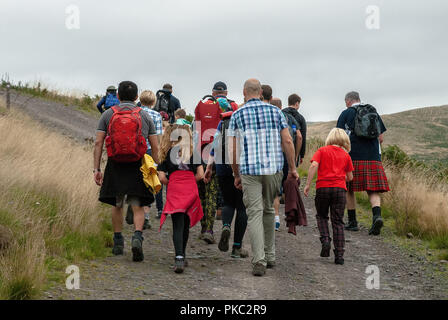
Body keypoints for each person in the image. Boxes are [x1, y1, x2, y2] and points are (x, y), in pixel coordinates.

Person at [228, 79, 298, 276]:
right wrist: (292, 168)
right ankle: (270, 255)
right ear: (260, 92)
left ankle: (258, 259)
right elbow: (287, 140)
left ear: (244, 92)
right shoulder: (276, 112)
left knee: (254, 213)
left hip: (250, 170)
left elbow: (233, 149)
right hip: (273, 169)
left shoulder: (237, 114)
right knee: (268, 209)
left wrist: (236, 173)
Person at [93, 81, 159, 262]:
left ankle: (118, 242)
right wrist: (157, 168)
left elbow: (98, 142)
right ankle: (137, 237)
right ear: (137, 97)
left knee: (118, 203)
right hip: (138, 163)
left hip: (115, 164)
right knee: (137, 203)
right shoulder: (144, 116)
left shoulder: (108, 114)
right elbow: (154, 145)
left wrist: (97, 168)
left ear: (119, 97)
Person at [336, 91, 389, 235]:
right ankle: (377, 216)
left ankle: (353, 222)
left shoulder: (346, 113)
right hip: (373, 157)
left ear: (348, 101)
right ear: (359, 99)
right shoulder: (373, 112)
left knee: (349, 188)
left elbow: (339, 137)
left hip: (353, 156)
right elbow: (381, 138)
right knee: (373, 189)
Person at [194, 81, 238, 244]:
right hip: (221, 154)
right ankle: (210, 230)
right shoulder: (232, 106)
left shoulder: (203, 105)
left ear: (213, 92)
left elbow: (195, 131)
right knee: (213, 192)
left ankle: (203, 226)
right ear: (226, 93)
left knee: (202, 193)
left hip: (200, 153)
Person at [204, 102, 248, 259]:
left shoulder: (222, 123)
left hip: (222, 166)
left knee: (228, 203)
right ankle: (237, 248)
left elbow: (214, 148)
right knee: (242, 208)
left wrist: (209, 167)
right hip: (242, 167)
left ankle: (226, 226)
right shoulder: (246, 122)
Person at [157, 124, 204, 273]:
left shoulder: (166, 152)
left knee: (177, 223)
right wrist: (189, 181)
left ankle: (178, 258)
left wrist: (172, 182)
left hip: (175, 188)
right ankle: (182, 254)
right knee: (186, 222)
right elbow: (201, 175)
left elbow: (161, 176)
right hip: (190, 187)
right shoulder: (193, 153)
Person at [304, 128, 354, 265]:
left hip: (323, 188)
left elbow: (314, 165)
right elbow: (350, 177)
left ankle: (325, 240)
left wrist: (308, 184)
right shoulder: (346, 155)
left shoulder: (322, 151)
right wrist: (340, 176)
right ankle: (339, 255)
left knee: (321, 216)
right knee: (338, 221)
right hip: (339, 190)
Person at [140, 90, 164, 222]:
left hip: (137, 151)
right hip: (151, 151)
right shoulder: (156, 115)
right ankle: (155, 210)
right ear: (153, 101)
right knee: (153, 179)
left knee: (139, 179)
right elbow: (159, 138)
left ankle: (139, 209)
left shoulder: (135, 112)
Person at [283, 94, 307, 164]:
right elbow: (301, 137)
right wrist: (301, 155)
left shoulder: (281, 114)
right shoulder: (300, 118)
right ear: (297, 103)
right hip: (295, 151)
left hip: (282, 150)